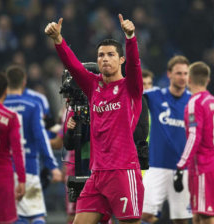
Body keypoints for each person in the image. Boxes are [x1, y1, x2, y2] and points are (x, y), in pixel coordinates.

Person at [45, 13, 144, 224]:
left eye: (110, 54)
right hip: (97, 173)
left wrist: (130, 38)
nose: (105, 59)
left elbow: (135, 66)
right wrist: (58, 41)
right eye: (101, 55)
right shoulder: (93, 85)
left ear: (121, 59)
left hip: (123, 171)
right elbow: (73, 66)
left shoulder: (130, 87)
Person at [4, 65, 62, 224]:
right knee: (36, 215)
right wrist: (52, 165)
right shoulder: (34, 103)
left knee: (16, 216)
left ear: (6, 82)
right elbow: (41, 136)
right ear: (24, 82)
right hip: (29, 166)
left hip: (4, 170)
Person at [142, 55, 192, 224]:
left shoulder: (193, 101)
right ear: (169, 74)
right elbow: (132, 93)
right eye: (179, 73)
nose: (183, 77)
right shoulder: (155, 95)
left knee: (182, 219)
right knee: (142, 214)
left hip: (182, 170)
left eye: (186, 73)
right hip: (156, 167)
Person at [177, 62, 214, 224]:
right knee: (198, 214)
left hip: (203, 166)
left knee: (206, 215)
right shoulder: (212, 101)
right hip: (211, 164)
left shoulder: (195, 102)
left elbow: (194, 137)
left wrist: (181, 164)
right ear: (207, 80)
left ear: (189, 79)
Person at [0, 72, 26, 224]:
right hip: (2, 179)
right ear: (6, 90)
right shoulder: (10, 117)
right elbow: (17, 152)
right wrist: (22, 180)